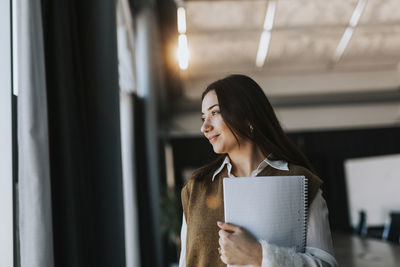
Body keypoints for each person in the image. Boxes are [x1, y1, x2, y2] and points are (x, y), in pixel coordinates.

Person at [178, 74, 337, 267]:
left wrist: (259, 256)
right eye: (204, 117)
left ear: (247, 116)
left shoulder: (301, 181)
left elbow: (327, 265)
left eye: (215, 113)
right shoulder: (196, 188)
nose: (204, 127)